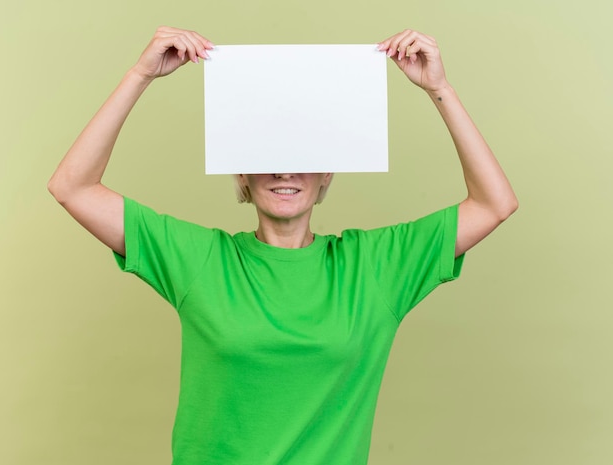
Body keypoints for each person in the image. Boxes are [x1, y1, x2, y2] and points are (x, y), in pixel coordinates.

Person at [48, 26, 517, 465]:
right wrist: (140, 75)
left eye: (303, 155)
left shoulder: (374, 267)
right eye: (265, 155)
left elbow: (494, 203)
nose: (285, 170)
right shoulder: (200, 259)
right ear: (242, 174)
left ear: (327, 172)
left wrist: (440, 89)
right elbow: (74, 188)